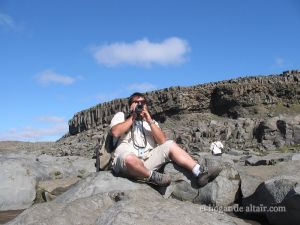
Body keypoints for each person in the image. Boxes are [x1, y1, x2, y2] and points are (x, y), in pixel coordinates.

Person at [110, 92, 221, 187]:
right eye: (136, 102)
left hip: (146, 161)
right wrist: (133, 117)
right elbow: (115, 132)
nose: (140, 104)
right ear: (130, 105)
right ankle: (151, 177)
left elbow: (162, 141)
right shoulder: (122, 117)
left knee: (170, 144)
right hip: (125, 162)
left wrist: (149, 121)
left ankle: (199, 172)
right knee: (130, 159)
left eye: (143, 102)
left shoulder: (151, 123)